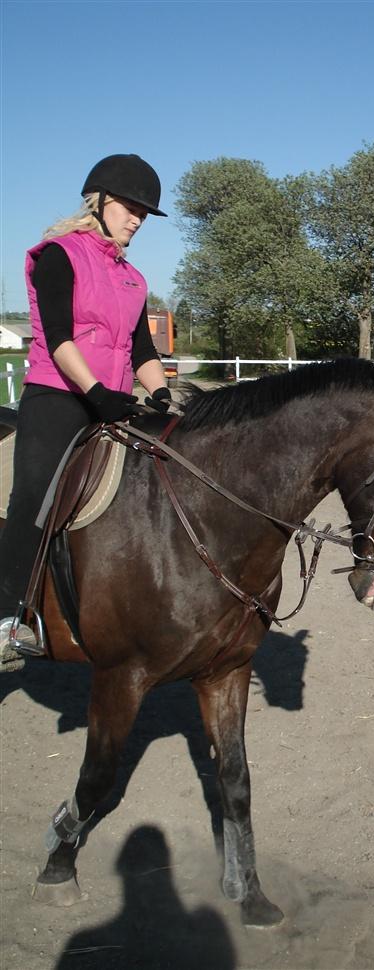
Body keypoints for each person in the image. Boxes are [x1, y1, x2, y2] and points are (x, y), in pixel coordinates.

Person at [0, 154, 172, 672]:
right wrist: (95, 391)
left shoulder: (134, 280)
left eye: (144, 213)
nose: (137, 219)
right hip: (58, 394)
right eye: (130, 207)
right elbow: (57, 338)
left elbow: (143, 352)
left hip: (114, 398)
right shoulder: (59, 255)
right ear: (98, 202)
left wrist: (161, 395)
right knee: (35, 492)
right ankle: (9, 618)